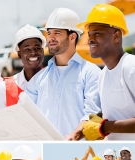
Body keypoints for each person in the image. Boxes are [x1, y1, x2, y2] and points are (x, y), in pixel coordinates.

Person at [26, 8, 100, 138]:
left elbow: (92, 114)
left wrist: (75, 135)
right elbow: (26, 114)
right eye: (49, 33)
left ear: (72, 37)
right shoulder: (38, 79)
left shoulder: (91, 73)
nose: (51, 38)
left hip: (76, 150)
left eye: (57, 33)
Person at [79, 4, 135, 141]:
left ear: (116, 36)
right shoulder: (103, 75)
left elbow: (106, 126)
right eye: (89, 34)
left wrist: (104, 127)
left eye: (97, 33)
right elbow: (114, 114)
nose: (90, 39)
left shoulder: (130, 67)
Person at [0, 25, 46, 107]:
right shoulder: (6, 87)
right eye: (27, 49)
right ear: (19, 54)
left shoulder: (53, 81)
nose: (33, 52)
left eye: (37, 48)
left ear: (42, 51)